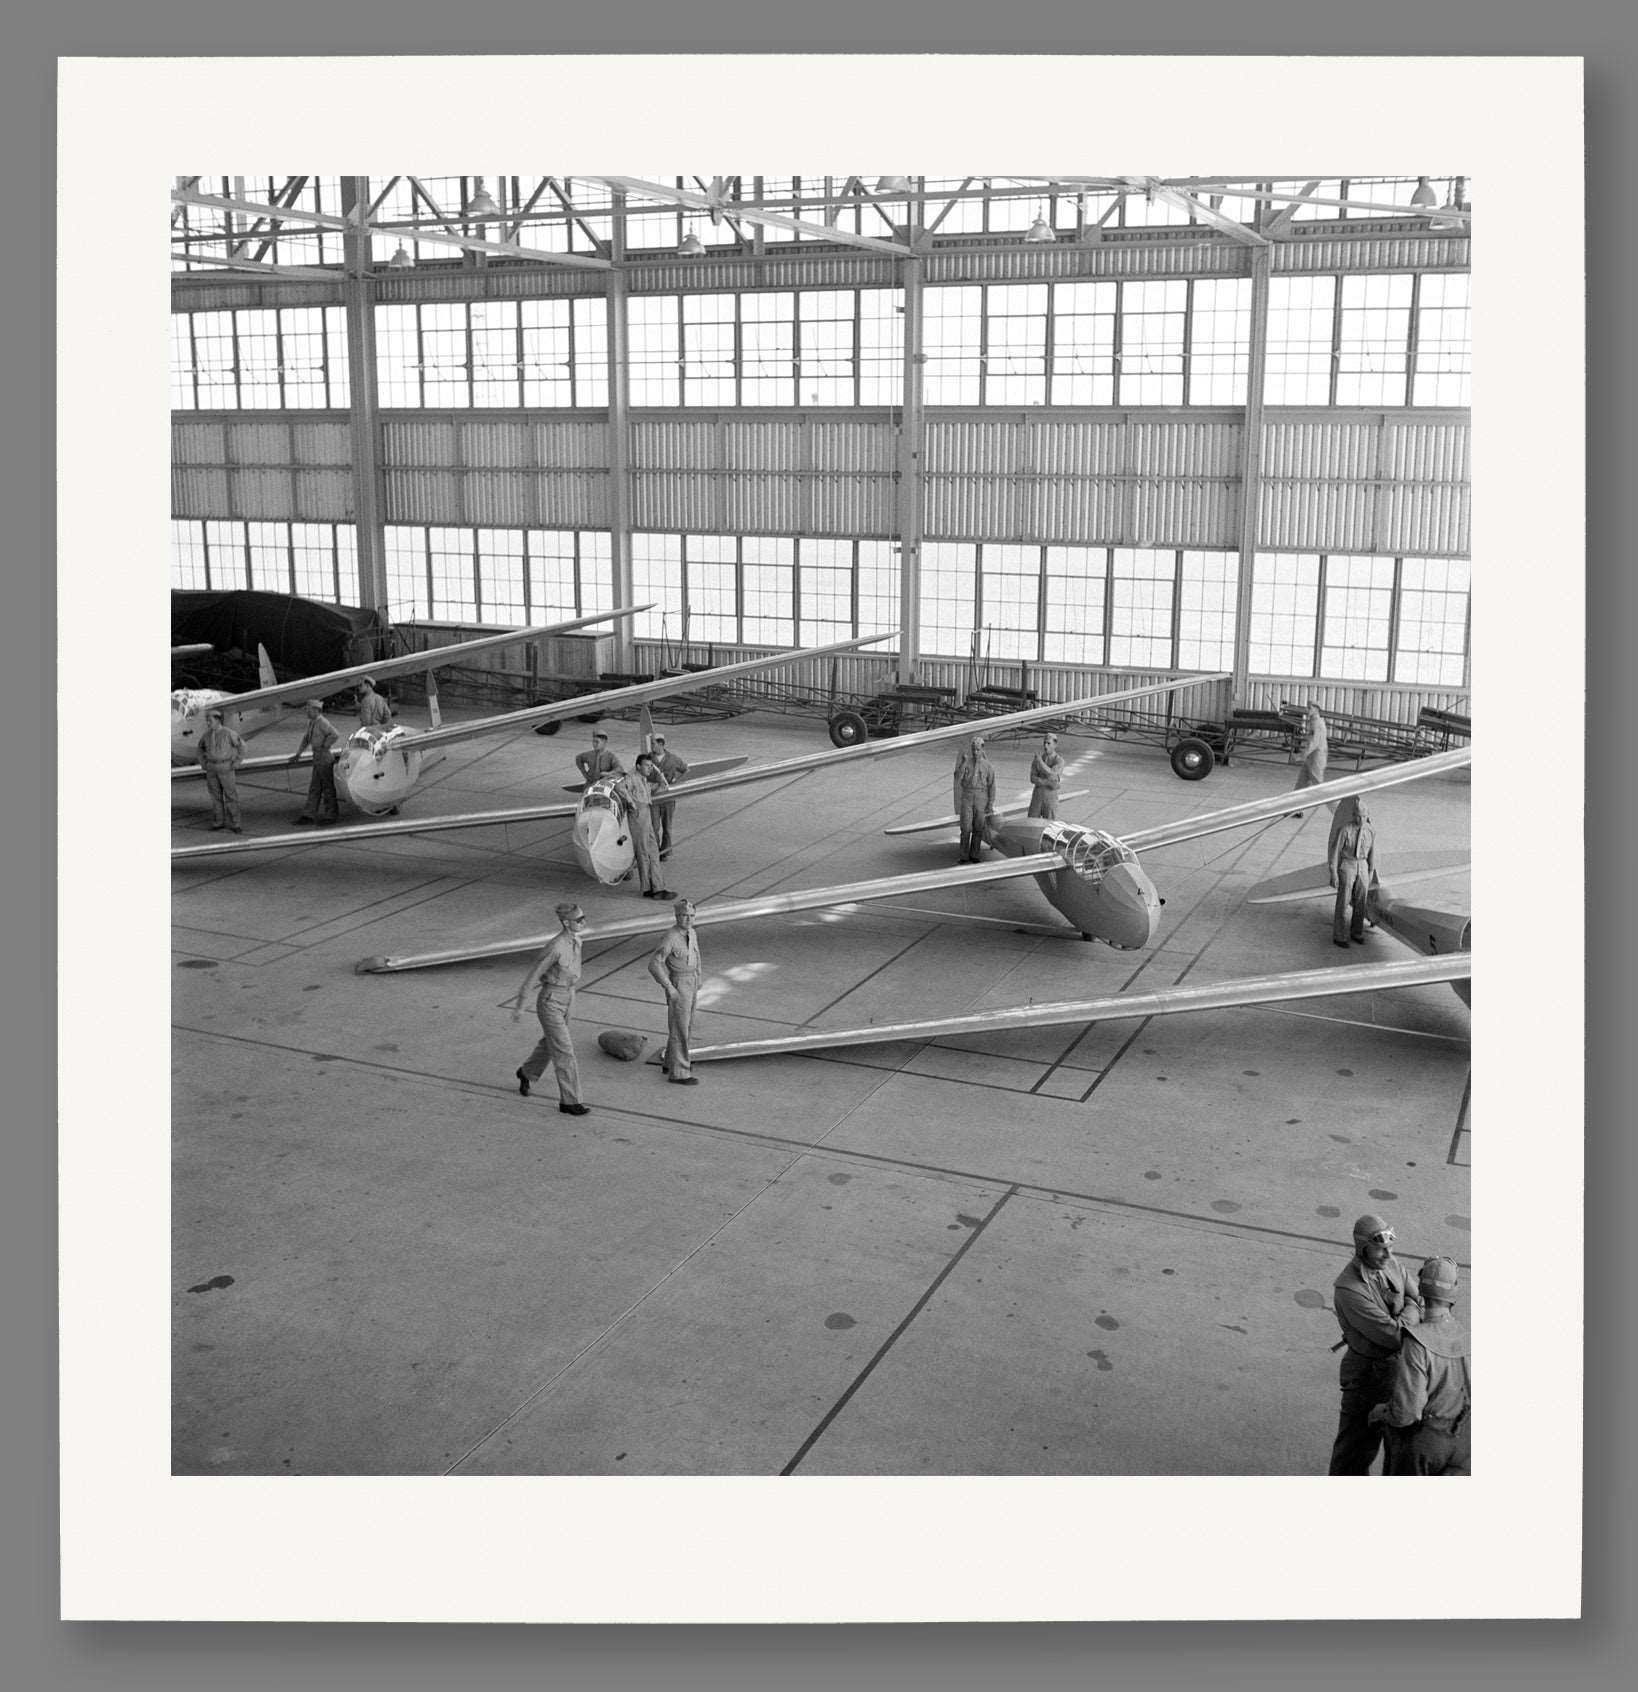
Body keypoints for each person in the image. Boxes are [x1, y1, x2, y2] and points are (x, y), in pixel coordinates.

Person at [1327, 1213, 1422, 1475]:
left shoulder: (1391, 1265)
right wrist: (1412, 1308)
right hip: (1368, 1379)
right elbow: (1394, 1335)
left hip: (1400, 1372)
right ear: (1362, 1248)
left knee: (1398, 1447)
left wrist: (1413, 1307)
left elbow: (1421, 1298)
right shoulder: (1349, 1290)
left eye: (1390, 1248)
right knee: (1356, 1452)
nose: (1388, 1255)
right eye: (1380, 1249)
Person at [1372, 1255, 1470, 1476]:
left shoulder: (1417, 1342)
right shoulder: (1469, 1339)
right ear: (1453, 1293)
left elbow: (1407, 1412)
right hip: (1464, 1443)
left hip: (1426, 1445)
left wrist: (1382, 1412)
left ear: (1422, 1290)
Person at [507, 902, 590, 1115]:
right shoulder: (556, 946)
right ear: (565, 922)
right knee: (565, 1051)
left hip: (568, 996)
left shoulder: (576, 940)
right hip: (551, 1000)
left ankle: (527, 1072)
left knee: (551, 1042)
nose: (583, 922)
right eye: (579, 920)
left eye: (583, 918)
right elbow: (533, 976)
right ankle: (570, 1101)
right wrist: (520, 1006)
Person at [647, 897, 702, 1085]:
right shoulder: (671, 937)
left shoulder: (692, 933)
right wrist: (669, 987)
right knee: (680, 1028)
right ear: (677, 916)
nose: (689, 919)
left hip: (692, 980)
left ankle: (671, 1060)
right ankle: (679, 1072)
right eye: (685, 916)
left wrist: (699, 977)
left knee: (686, 1025)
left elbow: (696, 955)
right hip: (679, 982)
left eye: (692, 916)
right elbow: (654, 964)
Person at [615, 754, 675, 900]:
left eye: (650, 765)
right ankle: (655, 889)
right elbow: (619, 786)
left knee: (652, 852)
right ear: (638, 767)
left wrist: (658, 771)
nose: (649, 768)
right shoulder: (633, 778)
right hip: (638, 816)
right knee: (645, 854)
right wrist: (631, 802)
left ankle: (651, 888)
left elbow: (663, 785)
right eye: (647, 765)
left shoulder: (644, 781)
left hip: (645, 815)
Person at [1327, 795, 1379, 948]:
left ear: (1367, 816)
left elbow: (1372, 853)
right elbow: (1335, 853)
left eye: (1363, 816)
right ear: (1353, 815)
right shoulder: (1345, 830)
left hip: (1362, 865)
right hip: (1347, 865)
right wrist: (1334, 873)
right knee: (1343, 901)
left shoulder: (1371, 831)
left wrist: (1370, 872)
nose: (1361, 819)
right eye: (1358, 816)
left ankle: (1357, 932)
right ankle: (1340, 935)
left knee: (1361, 902)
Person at [289, 699, 341, 825]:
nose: (306, 711)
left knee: (328, 788)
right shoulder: (312, 722)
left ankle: (331, 815)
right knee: (315, 787)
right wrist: (298, 753)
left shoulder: (322, 722)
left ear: (316, 710)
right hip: (317, 757)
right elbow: (306, 738)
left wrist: (325, 746)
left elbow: (335, 734)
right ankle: (309, 815)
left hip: (324, 757)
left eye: (308, 709)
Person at [196, 707, 246, 832]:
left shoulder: (229, 733)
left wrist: (237, 762)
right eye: (207, 720)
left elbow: (242, 747)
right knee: (215, 796)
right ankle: (218, 822)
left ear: (218, 720)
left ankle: (236, 824)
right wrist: (203, 763)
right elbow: (199, 749)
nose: (208, 723)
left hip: (226, 767)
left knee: (231, 796)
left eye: (210, 720)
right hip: (211, 769)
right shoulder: (206, 736)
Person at [953, 735, 997, 863]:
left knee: (978, 828)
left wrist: (990, 803)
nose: (975, 752)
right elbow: (957, 778)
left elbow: (992, 785)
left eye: (977, 749)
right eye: (973, 749)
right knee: (965, 828)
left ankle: (975, 855)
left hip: (981, 798)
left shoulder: (987, 766)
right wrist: (963, 763)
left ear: (982, 749)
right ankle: (963, 856)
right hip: (967, 796)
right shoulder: (967, 763)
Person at [650, 732, 691, 858]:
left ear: (661, 744)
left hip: (668, 798)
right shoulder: (647, 758)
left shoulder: (673, 759)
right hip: (654, 798)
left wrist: (676, 779)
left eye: (653, 744)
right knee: (654, 827)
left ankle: (665, 852)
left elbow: (686, 770)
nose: (651, 746)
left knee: (667, 827)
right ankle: (655, 851)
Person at [1287, 703, 1329, 816]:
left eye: (1310, 708)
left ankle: (1339, 810)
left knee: (1319, 787)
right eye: (1307, 707)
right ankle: (1295, 809)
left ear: (1316, 709)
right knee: (1301, 783)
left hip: (1316, 759)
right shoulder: (1313, 722)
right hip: (1311, 758)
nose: (1307, 709)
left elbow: (1313, 744)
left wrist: (1300, 756)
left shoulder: (1317, 723)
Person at [1027, 732, 1065, 820]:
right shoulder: (1038, 758)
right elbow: (1032, 778)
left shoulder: (1059, 761)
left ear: (1055, 744)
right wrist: (1049, 783)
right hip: (1037, 795)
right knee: (1032, 821)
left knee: (1050, 824)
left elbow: (1052, 774)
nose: (1045, 746)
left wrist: (1040, 762)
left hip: (1050, 797)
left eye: (1048, 743)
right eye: (1044, 743)